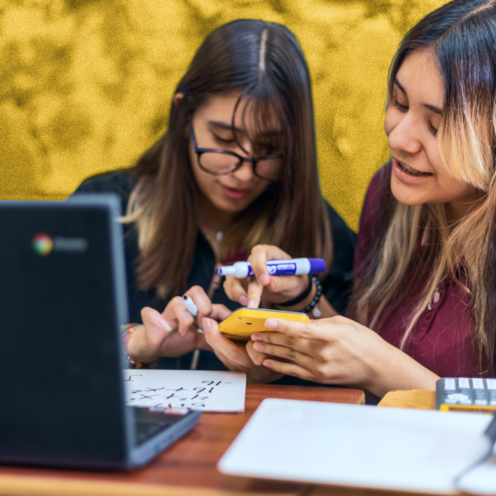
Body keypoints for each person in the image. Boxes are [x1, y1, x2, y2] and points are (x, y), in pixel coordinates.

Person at [218, 0, 496, 397]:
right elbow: (357, 351)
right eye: (399, 103)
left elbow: (373, 362)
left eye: (436, 126)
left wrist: (382, 369)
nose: (398, 138)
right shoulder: (390, 194)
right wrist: (302, 297)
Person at [76, 19, 356, 381]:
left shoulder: (327, 237)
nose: (242, 173)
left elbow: (352, 384)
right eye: (224, 139)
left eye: (270, 148)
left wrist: (299, 309)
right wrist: (132, 346)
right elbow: (37, 342)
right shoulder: (103, 210)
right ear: (185, 116)